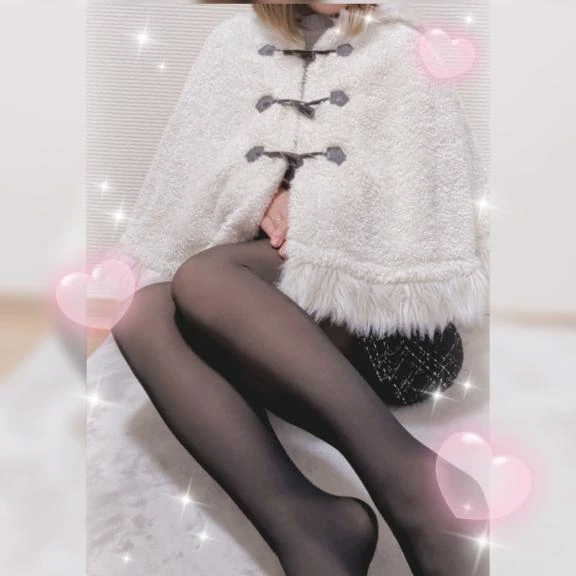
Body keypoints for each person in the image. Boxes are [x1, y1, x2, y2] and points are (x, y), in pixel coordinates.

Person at [110, 4, 489, 575]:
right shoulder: (230, 46)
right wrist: (258, 195)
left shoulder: (402, 49)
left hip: (389, 330)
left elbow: (430, 210)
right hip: (271, 314)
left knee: (205, 278)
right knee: (140, 313)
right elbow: (190, 188)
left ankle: (418, 488)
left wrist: (312, 208)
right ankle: (312, 529)